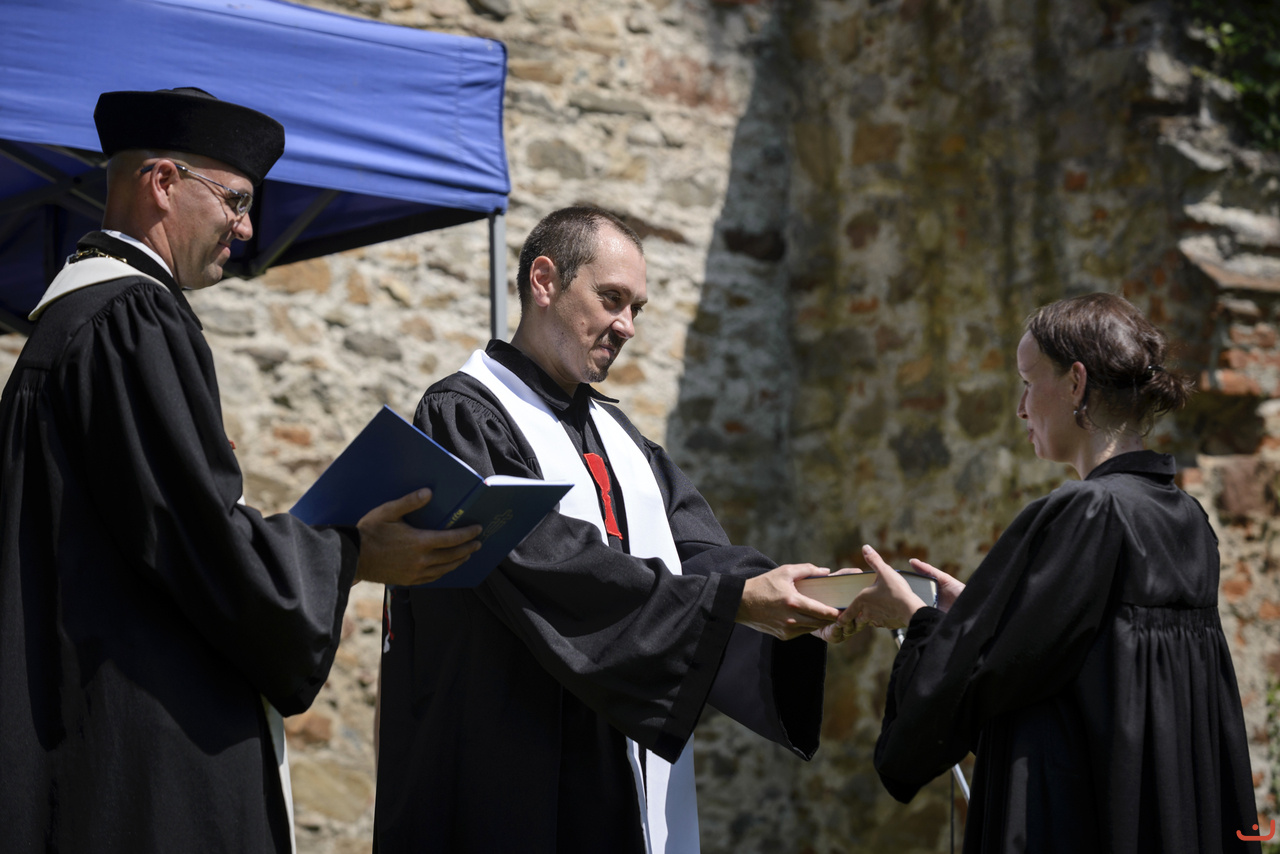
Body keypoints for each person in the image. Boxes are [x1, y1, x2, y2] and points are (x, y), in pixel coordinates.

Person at [0, 88, 481, 854]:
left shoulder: (75, 322)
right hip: (141, 753)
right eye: (236, 200)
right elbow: (199, 540)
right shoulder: (132, 318)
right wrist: (352, 552)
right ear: (164, 182)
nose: (248, 228)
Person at [374, 206, 846, 853]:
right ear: (545, 281)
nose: (627, 326)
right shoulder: (464, 418)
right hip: (512, 763)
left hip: (613, 765)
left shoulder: (619, 437)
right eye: (612, 299)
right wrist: (732, 601)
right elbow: (550, 566)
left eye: (636, 308)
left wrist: (809, 594)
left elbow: (697, 551)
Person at [845, 293, 1260, 853]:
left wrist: (918, 621)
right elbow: (1081, 663)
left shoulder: (1086, 511)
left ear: (1075, 383)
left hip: (1080, 824)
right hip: (1164, 820)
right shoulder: (1187, 517)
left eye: (1026, 381)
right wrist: (983, 615)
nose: (1021, 409)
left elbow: (970, 694)